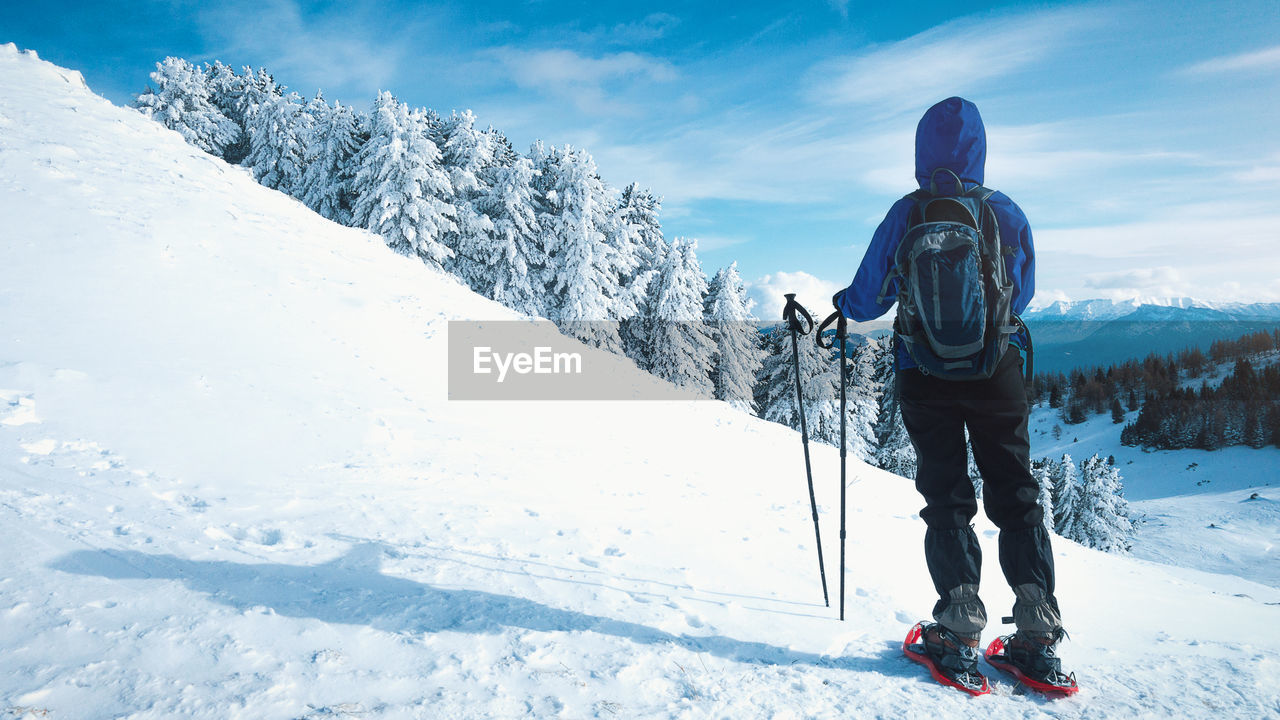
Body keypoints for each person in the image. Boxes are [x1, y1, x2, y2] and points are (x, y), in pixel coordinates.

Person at [834, 97, 1073, 693]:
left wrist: (841, 308)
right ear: (980, 150)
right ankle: (1037, 633)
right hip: (997, 373)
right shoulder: (1003, 212)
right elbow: (1023, 292)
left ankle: (960, 623)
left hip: (924, 373)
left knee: (946, 494)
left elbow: (869, 297)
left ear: (921, 153)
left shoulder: (906, 214)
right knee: (1015, 491)